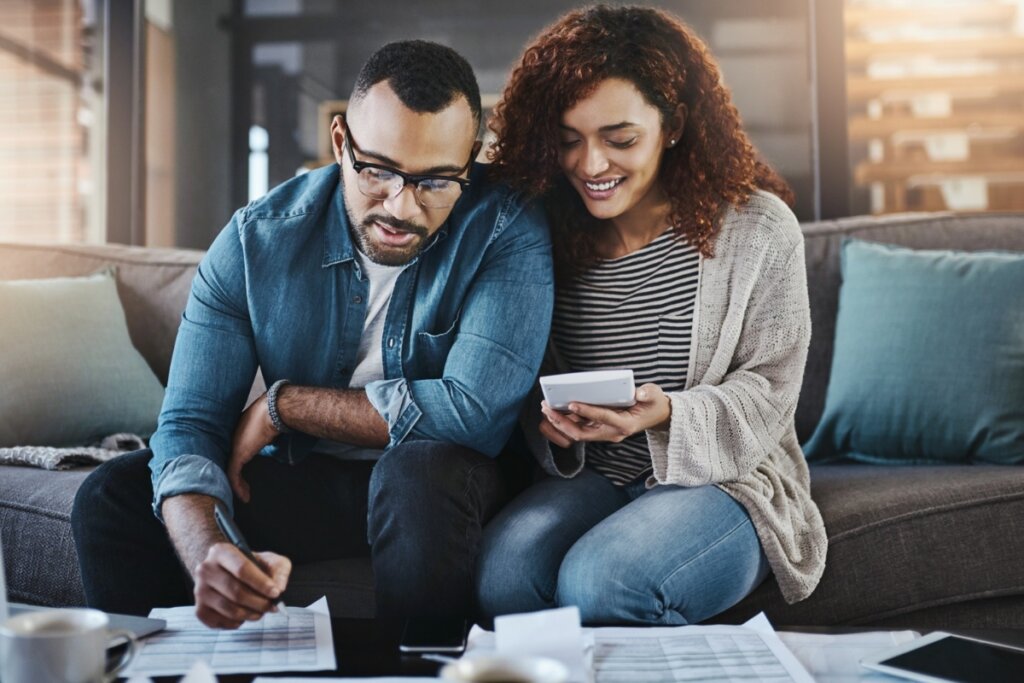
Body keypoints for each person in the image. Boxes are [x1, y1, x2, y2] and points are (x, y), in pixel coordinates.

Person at [71, 40, 553, 628]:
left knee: (418, 473)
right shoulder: (256, 242)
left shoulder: (507, 226)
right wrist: (209, 553)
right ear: (340, 142)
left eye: (435, 181)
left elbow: (474, 412)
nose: (401, 207)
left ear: (470, 159)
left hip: (446, 484)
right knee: (110, 498)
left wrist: (286, 405)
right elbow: (189, 425)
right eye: (377, 170)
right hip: (316, 480)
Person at [476, 5, 827, 625]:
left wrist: (668, 414)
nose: (591, 165)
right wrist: (551, 428)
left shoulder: (756, 230)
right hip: (599, 475)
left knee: (603, 582)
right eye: (568, 141)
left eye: (620, 139)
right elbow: (521, 373)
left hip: (725, 482)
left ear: (673, 126)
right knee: (505, 577)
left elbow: (771, 391)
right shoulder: (543, 235)